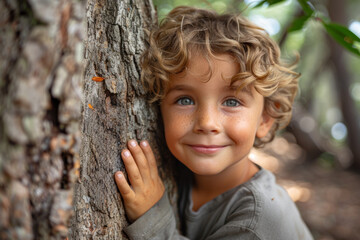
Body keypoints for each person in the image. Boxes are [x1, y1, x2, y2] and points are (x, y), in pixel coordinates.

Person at [114, 6, 313, 240]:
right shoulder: (180, 173)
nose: (207, 123)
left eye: (231, 102)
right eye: (185, 100)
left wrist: (152, 218)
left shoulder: (258, 221)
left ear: (265, 119)